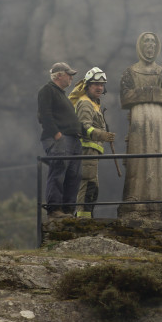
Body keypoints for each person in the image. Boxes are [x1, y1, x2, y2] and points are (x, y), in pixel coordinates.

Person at [117, 32, 162, 221]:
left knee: (158, 156)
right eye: (147, 41)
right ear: (140, 46)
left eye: (153, 42)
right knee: (138, 157)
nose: (150, 45)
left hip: (158, 120)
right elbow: (125, 96)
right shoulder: (130, 72)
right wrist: (153, 92)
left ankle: (160, 200)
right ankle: (135, 201)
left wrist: (148, 94)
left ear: (157, 46)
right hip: (138, 119)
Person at [68, 67, 116, 218]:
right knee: (87, 185)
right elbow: (83, 127)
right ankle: (82, 221)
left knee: (93, 188)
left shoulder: (94, 103)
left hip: (92, 152)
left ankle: (86, 218)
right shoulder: (85, 103)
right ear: (88, 86)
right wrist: (102, 135)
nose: (99, 87)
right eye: (96, 84)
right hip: (86, 151)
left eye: (102, 84)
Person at [38, 62, 83, 219]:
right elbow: (45, 115)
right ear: (58, 75)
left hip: (74, 141)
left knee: (74, 175)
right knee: (58, 171)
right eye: (69, 74)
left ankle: (68, 210)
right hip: (60, 139)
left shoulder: (62, 94)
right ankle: (55, 209)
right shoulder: (47, 90)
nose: (71, 77)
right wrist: (57, 135)